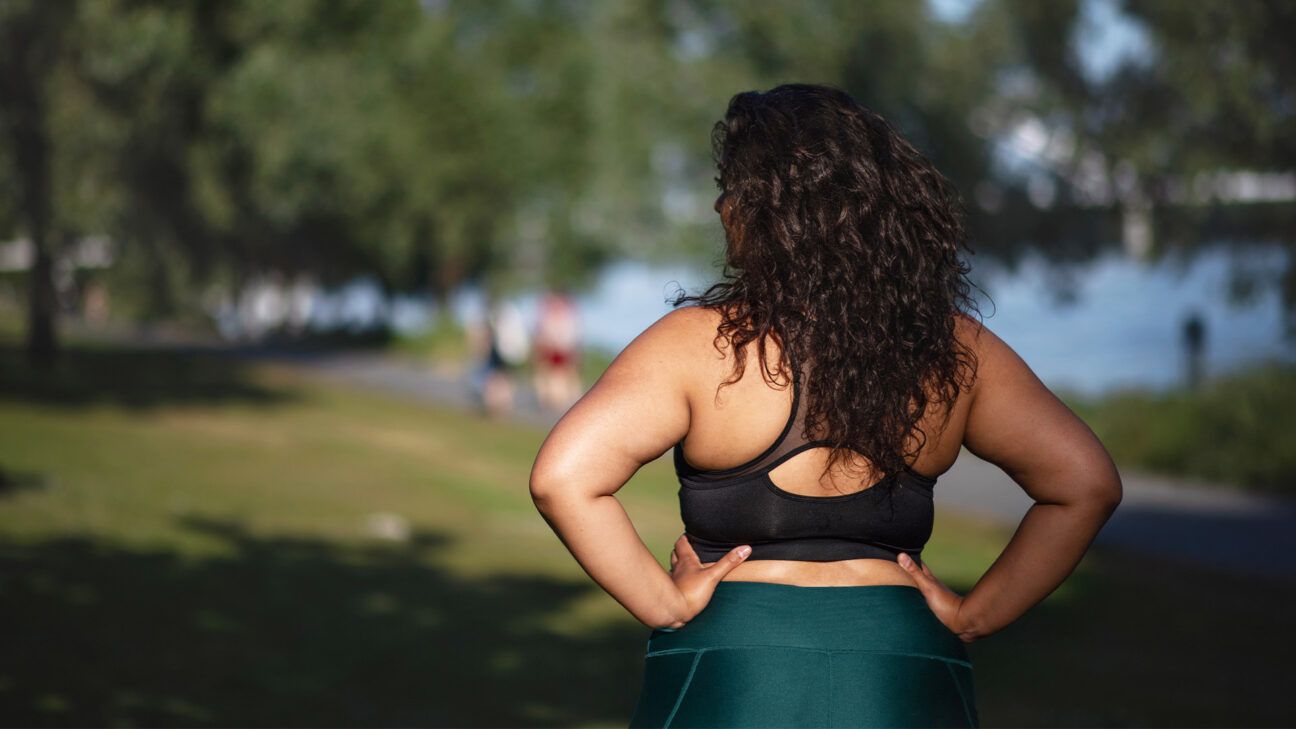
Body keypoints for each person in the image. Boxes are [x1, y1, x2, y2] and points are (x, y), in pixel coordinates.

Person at [528, 84, 1123, 728]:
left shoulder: (698, 346)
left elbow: (564, 478)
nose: (720, 204)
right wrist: (976, 615)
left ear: (765, 209)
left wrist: (663, 605)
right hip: (904, 669)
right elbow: (1084, 484)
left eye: (731, 187)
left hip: (737, 670)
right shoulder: (954, 348)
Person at [532, 287, 584, 413]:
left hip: (560, 348)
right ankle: (554, 403)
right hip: (555, 347)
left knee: (558, 377)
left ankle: (558, 404)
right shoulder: (565, 311)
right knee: (552, 376)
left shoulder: (562, 312)